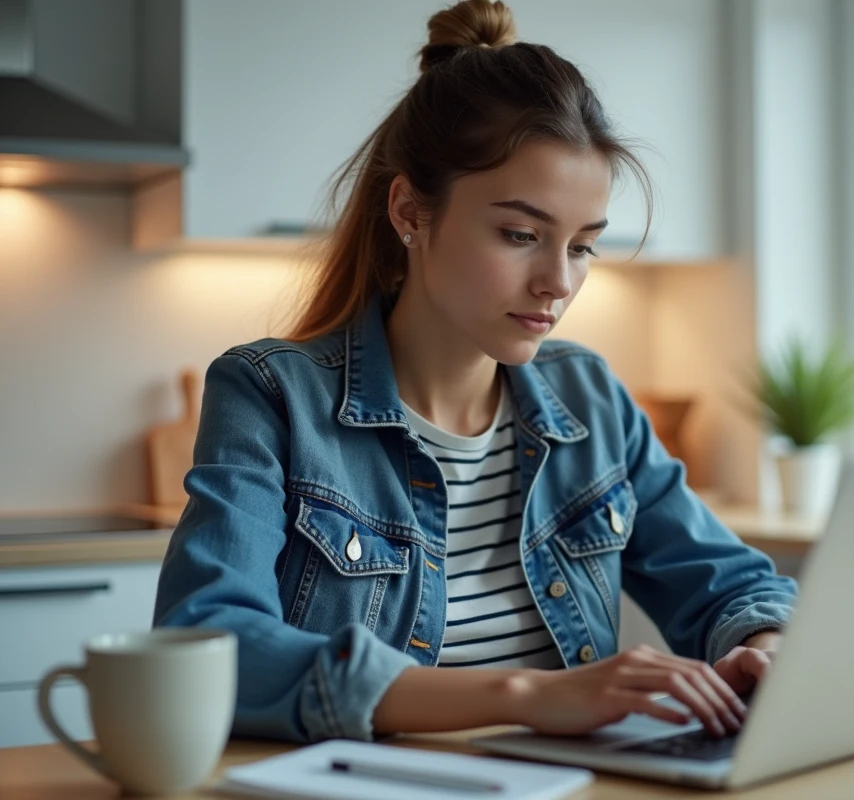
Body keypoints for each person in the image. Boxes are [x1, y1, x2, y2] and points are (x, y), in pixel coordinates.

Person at [153, 0, 797, 745]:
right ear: (410, 213)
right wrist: (527, 695)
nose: (558, 281)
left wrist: (764, 651)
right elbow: (207, 643)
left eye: (583, 245)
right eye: (521, 234)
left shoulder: (589, 397)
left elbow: (734, 585)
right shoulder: (270, 396)